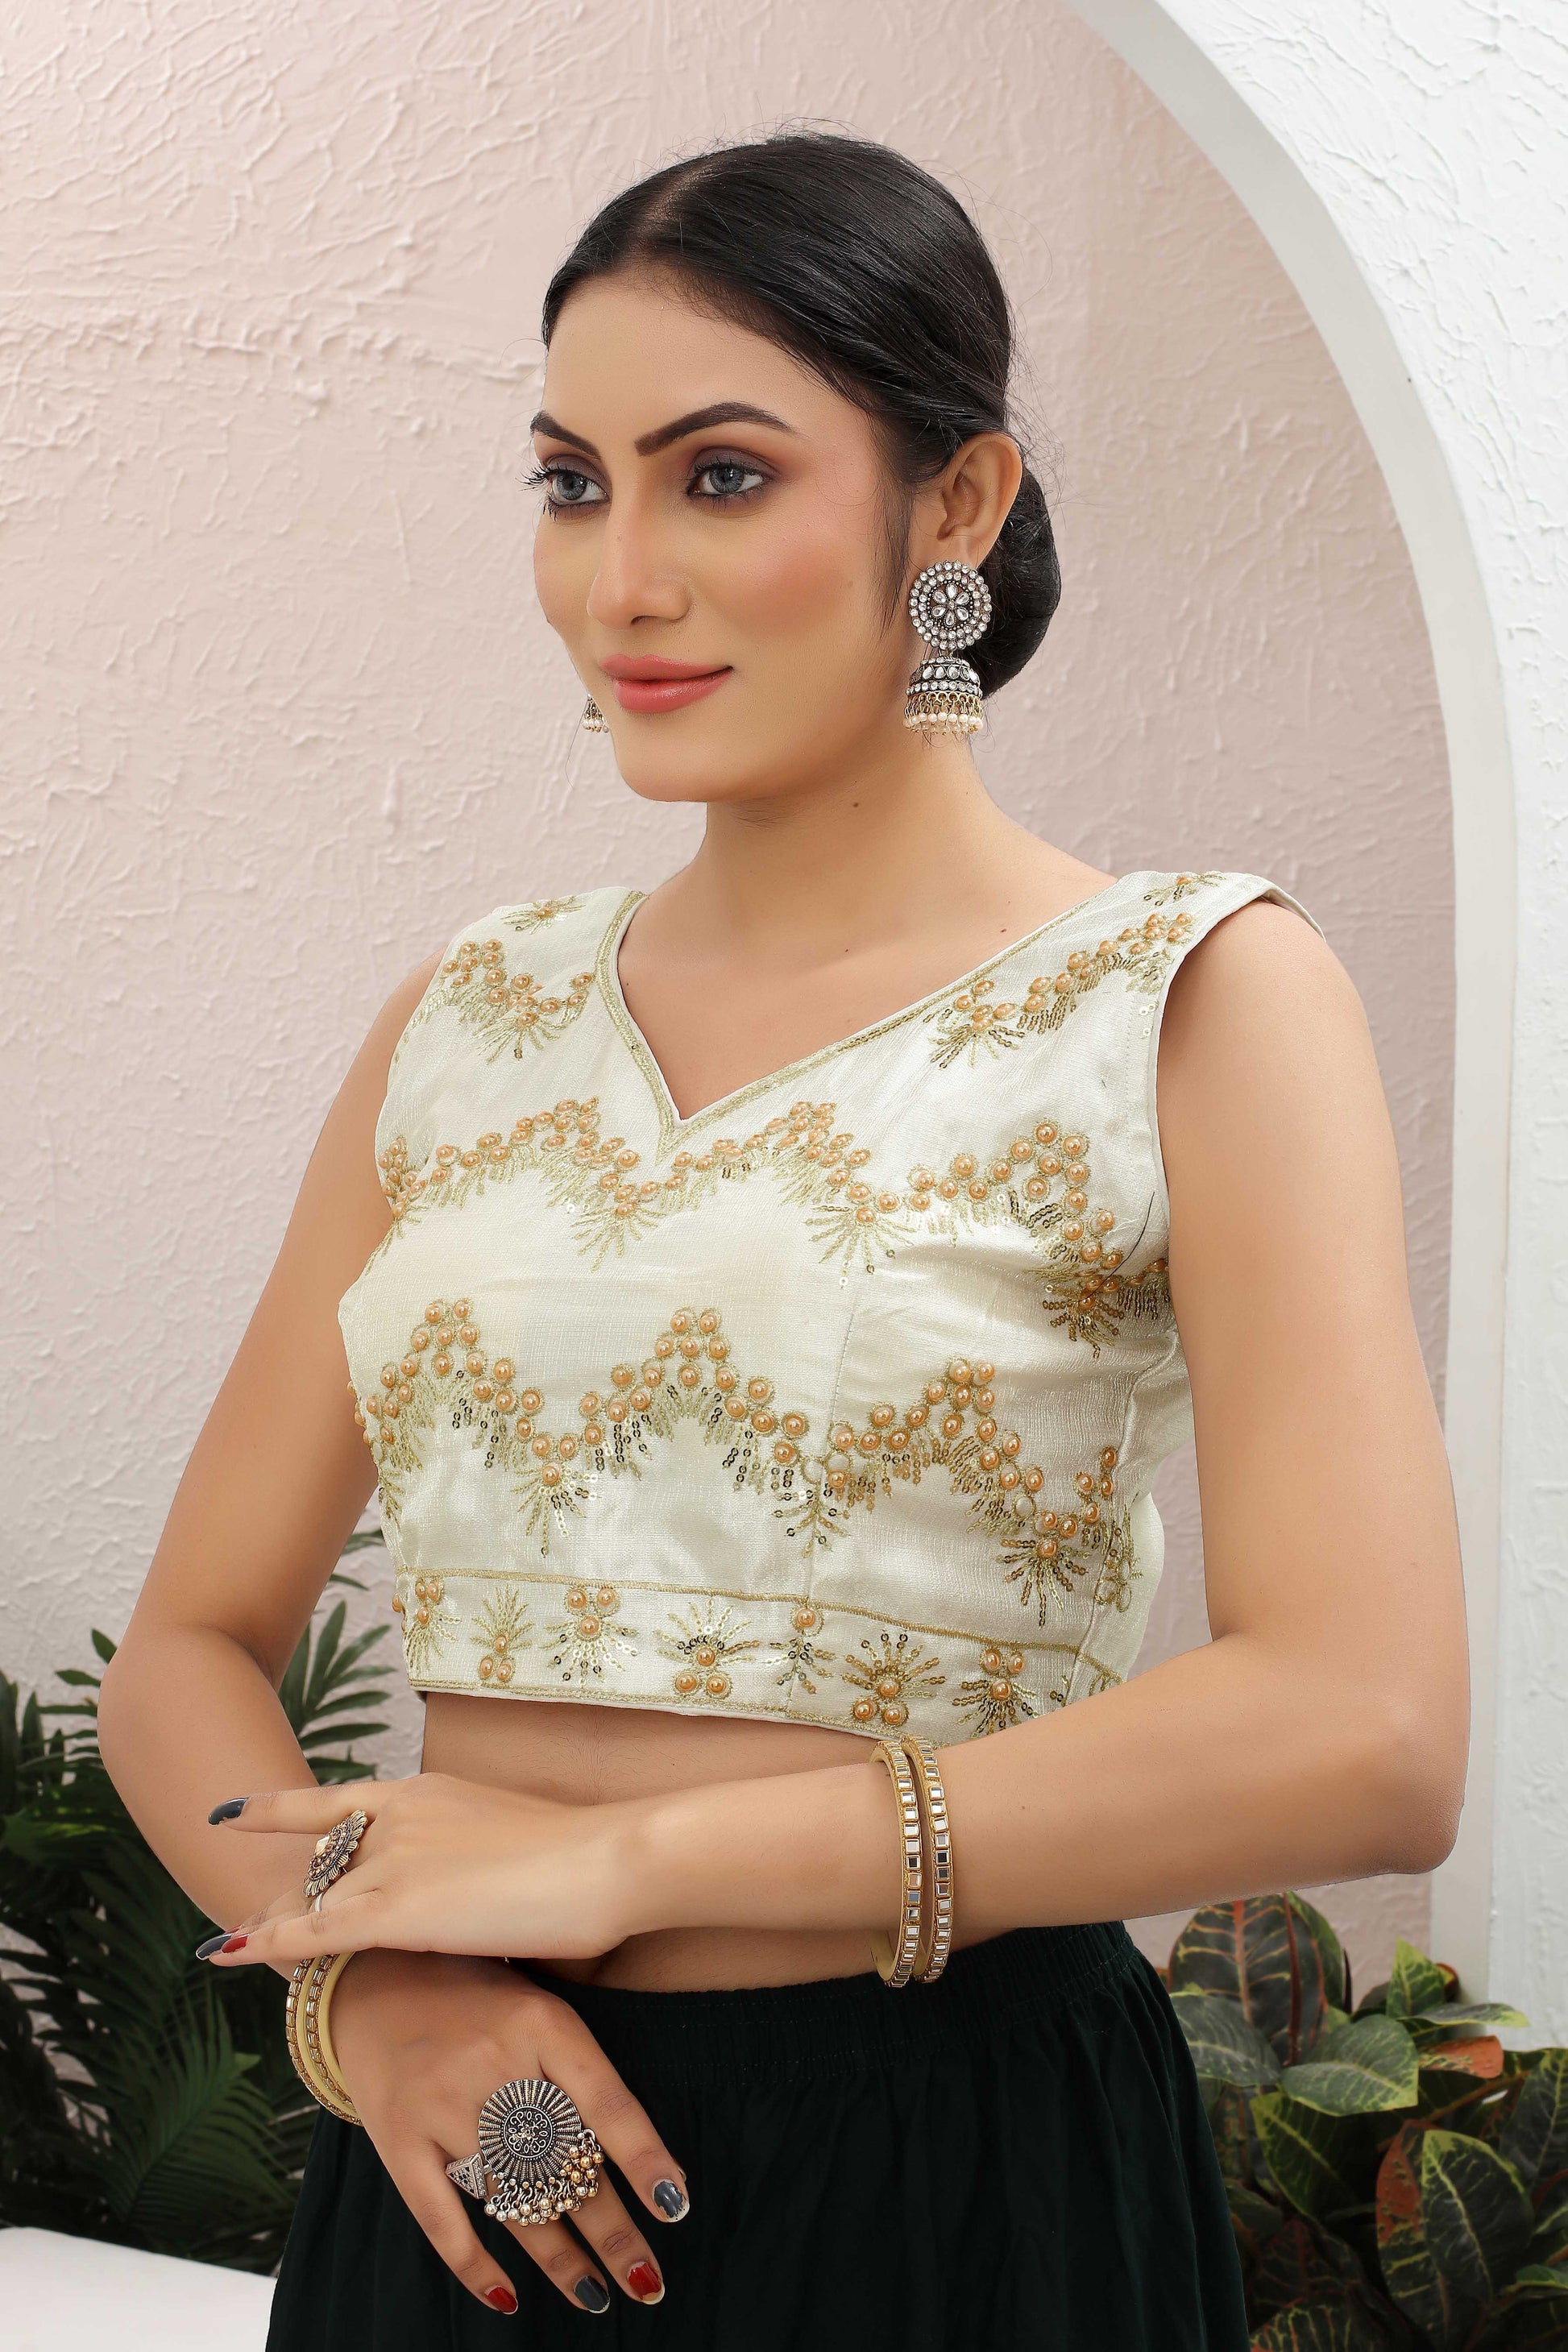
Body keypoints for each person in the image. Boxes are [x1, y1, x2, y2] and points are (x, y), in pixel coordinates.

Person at [97, 131, 1469, 2350]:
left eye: (720, 478)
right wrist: (391, 1990)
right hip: (479, 2164)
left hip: (951, 2176)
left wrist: (618, 1863)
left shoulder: (1184, 996)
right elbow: (188, 1646)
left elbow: (1365, 1728)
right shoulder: (470, 1016)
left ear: (957, 507)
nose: (621, 578)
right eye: (571, 484)